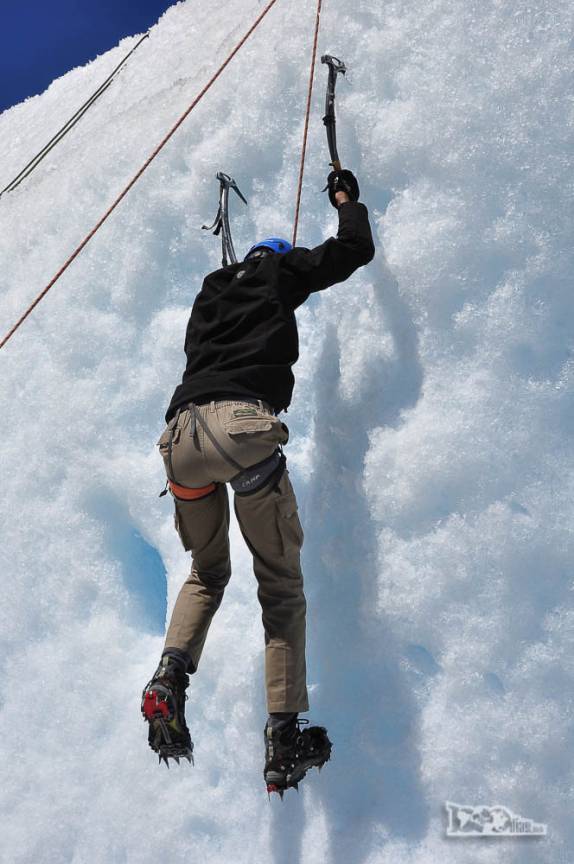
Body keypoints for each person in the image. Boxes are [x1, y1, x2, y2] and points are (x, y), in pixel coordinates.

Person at [141, 168, 375, 793]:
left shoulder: (210, 293)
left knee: (207, 573)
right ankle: (282, 736)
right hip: (241, 431)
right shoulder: (280, 272)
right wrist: (345, 200)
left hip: (180, 440)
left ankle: (168, 680)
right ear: (275, 259)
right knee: (279, 590)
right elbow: (353, 251)